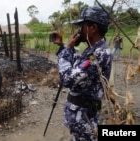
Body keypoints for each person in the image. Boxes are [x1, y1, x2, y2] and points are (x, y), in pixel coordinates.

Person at [51, 6, 113, 141]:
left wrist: (67, 49)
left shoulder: (98, 54)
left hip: (84, 118)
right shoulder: (93, 50)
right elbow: (76, 66)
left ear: (93, 28)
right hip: (80, 116)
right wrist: (64, 47)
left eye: (82, 25)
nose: (79, 30)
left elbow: (67, 79)